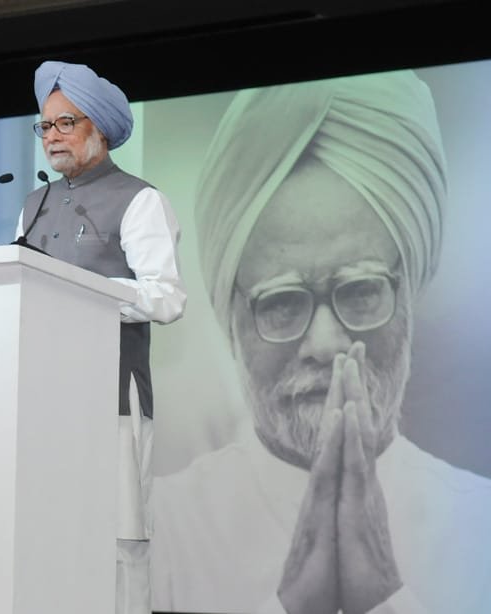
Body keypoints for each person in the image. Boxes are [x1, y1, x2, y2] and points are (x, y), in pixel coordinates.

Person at [150, 70, 491, 613]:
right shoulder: (158, 535)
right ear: (230, 319)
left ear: (409, 299)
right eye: (282, 303)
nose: (327, 343)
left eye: (360, 292)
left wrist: (383, 596)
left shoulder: (481, 529)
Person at [16, 60, 187, 614]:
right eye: (45, 126)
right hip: (40, 404)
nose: (53, 138)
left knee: (118, 543)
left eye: (67, 123)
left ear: (101, 130)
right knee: (43, 534)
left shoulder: (140, 201)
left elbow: (165, 297)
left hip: (112, 401)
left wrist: (91, 290)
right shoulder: (33, 204)